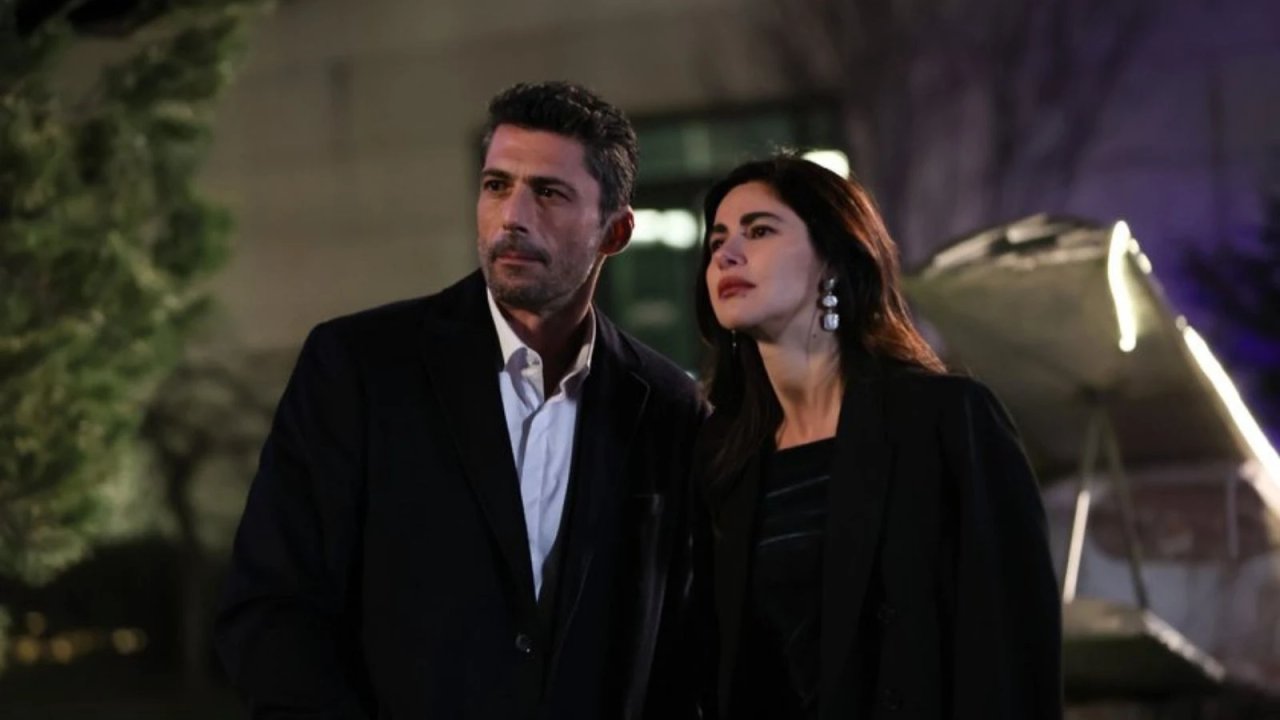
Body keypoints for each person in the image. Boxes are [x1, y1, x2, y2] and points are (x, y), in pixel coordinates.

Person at [215, 81, 705, 720]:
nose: (513, 216)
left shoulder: (668, 407)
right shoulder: (360, 368)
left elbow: (679, 654)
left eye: (548, 193)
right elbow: (270, 612)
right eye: (497, 185)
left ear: (615, 232)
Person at [692, 155, 1062, 719]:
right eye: (717, 239)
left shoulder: (946, 421)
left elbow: (1011, 650)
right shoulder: (722, 456)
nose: (726, 254)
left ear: (834, 260)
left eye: (759, 231)